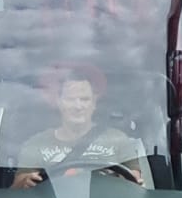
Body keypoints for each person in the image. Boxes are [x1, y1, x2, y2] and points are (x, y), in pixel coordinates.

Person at [10, 65, 144, 189]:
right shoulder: (36, 144)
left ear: (94, 103)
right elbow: (17, 190)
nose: (78, 106)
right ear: (59, 103)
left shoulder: (118, 140)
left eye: (84, 99)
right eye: (70, 99)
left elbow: (134, 179)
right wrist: (26, 181)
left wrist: (129, 182)